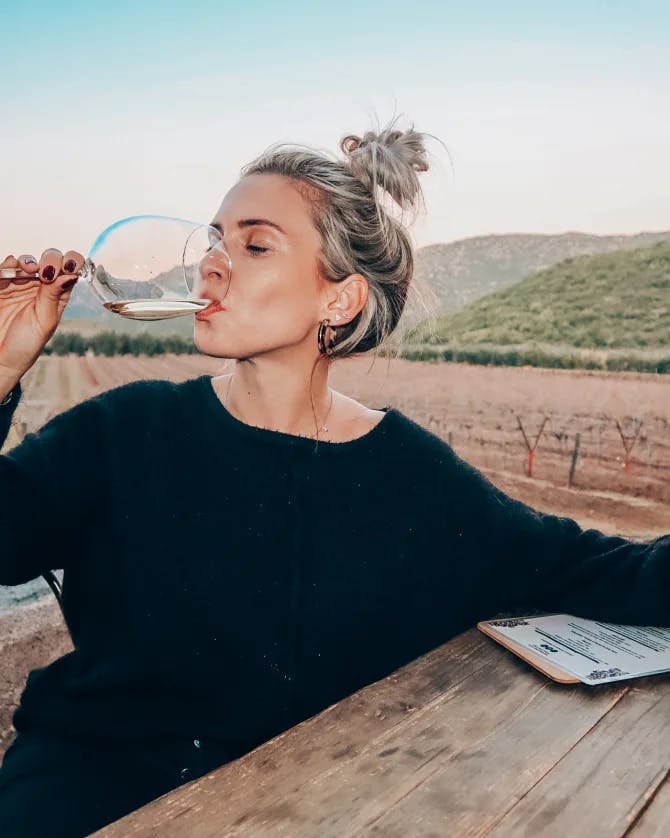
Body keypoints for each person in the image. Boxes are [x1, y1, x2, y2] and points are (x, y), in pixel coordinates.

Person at [0, 115, 668, 837]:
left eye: (256, 244)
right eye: (217, 239)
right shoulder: (121, 431)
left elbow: (600, 571)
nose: (213, 264)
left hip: (298, 808)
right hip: (79, 802)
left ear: (338, 298)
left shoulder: (415, 481)